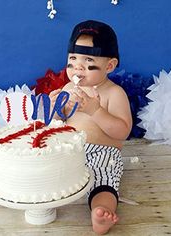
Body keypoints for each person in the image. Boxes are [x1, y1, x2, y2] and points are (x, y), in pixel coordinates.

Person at [49, 20, 132, 234]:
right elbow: (60, 122)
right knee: (44, 167)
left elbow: (122, 131)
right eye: (73, 59)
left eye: (88, 60)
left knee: (102, 178)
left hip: (102, 153)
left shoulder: (114, 93)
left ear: (110, 66)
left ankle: (101, 209)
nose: (77, 67)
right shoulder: (69, 88)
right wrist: (56, 108)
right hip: (70, 148)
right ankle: (12, 189)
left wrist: (96, 111)